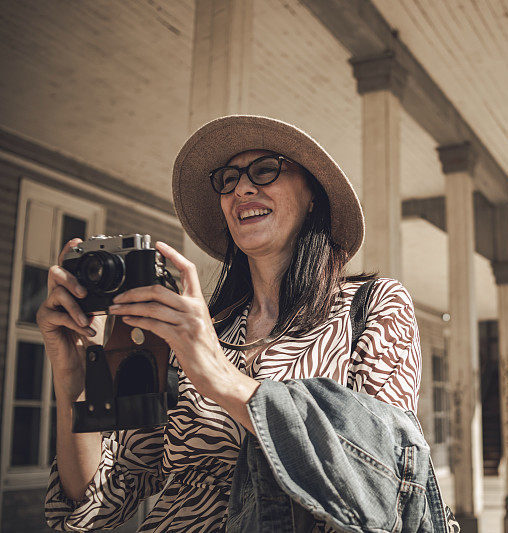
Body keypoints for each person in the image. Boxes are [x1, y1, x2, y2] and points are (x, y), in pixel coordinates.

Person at [40, 116, 423, 531]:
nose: (241, 189)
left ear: (312, 195)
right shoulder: (197, 330)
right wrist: (74, 384)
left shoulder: (372, 306)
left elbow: (385, 478)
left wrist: (220, 376)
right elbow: (97, 504)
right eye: (228, 179)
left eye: (265, 170)